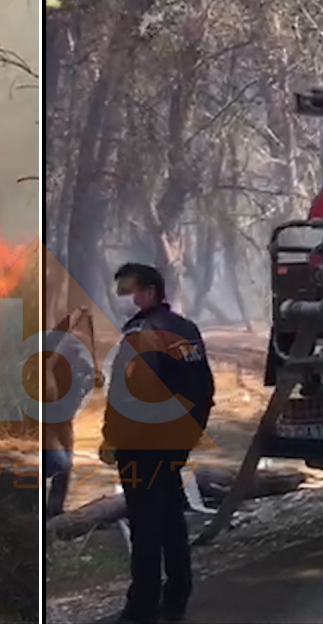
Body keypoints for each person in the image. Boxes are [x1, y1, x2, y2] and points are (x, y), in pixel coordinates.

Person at [100, 263, 215, 624]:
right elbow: (204, 388)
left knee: (146, 523)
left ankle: (142, 605)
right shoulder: (186, 328)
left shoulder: (143, 333)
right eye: (119, 290)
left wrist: (111, 437)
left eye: (128, 290)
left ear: (151, 291)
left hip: (143, 442)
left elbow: (130, 395)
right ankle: (178, 594)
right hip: (175, 440)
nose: (122, 298)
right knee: (169, 517)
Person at [43, 307, 98, 519]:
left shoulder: (81, 366)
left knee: (64, 466)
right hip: (45, 421)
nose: (76, 355)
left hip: (64, 419)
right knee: (55, 464)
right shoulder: (47, 362)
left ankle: (55, 512)